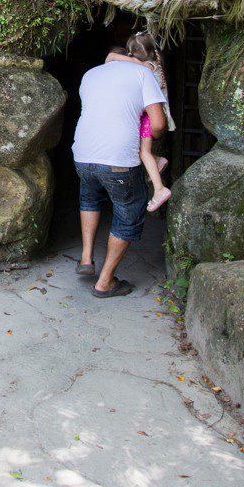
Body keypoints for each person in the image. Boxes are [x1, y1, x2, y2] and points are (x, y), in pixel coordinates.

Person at [71, 40, 168, 298]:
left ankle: (86, 258)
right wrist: (150, 141)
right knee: (129, 211)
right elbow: (158, 124)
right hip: (118, 159)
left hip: (83, 152)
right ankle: (105, 282)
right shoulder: (143, 73)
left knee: (89, 197)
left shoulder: (91, 73)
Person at [116, 32, 172, 213]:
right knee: (143, 151)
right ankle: (158, 160)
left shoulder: (146, 67)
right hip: (151, 113)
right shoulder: (154, 64)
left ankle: (159, 189)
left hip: (148, 115)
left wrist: (119, 56)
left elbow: (119, 60)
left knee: (143, 152)